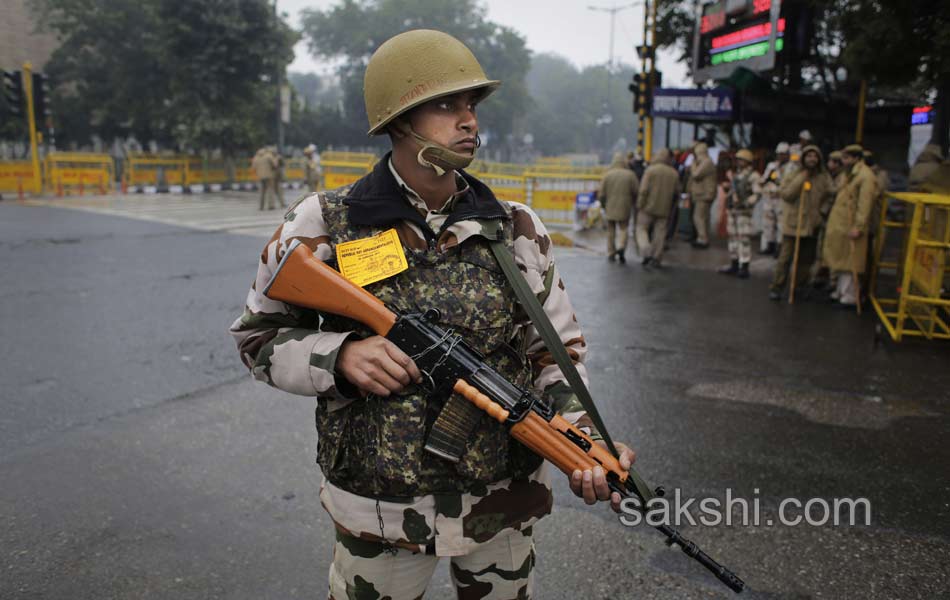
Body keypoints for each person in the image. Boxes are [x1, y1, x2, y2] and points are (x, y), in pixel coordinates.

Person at [229, 29, 635, 600]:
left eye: (471, 105)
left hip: (501, 501)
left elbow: (557, 354)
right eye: (447, 105)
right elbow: (256, 337)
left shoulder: (514, 227)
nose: (468, 121)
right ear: (399, 121)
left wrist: (585, 439)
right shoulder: (324, 222)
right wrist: (340, 355)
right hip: (382, 509)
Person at [768, 145, 834, 301]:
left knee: (806, 260)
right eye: (809, 156)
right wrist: (802, 177)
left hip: (812, 224)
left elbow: (831, 194)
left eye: (815, 156)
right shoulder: (793, 174)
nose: (812, 159)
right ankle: (777, 286)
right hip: (793, 223)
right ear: (803, 158)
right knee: (785, 258)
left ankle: (799, 286)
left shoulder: (823, 177)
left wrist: (822, 211)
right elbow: (786, 194)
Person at [822, 144, 877, 308]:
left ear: (856, 158)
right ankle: (840, 292)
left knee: (850, 263)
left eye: (846, 158)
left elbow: (864, 204)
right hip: (842, 225)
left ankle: (850, 296)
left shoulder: (865, 176)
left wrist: (859, 226)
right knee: (841, 261)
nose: (843, 161)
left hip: (851, 226)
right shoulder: (849, 175)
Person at [719, 149, 761, 279]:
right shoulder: (736, 175)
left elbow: (757, 193)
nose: (739, 162)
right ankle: (734, 262)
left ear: (748, 162)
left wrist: (747, 203)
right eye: (738, 160)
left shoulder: (753, 176)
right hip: (733, 210)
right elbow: (733, 191)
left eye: (742, 160)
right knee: (732, 237)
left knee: (743, 239)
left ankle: (744, 266)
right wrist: (728, 188)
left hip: (743, 211)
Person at [635, 148, 680, 268]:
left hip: (647, 207)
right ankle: (656, 257)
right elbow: (677, 192)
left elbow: (643, 190)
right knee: (660, 232)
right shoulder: (674, 173)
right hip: (664, 208)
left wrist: (640, 204)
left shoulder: (650, 170)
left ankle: (646, 250)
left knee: (641, 229)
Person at [599, 152, 640, 263]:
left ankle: (611, 251)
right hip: (625, 206)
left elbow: (601, 194)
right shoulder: (630, 175)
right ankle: (621, 247)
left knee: (611, 230)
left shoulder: (607, 175)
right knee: (623, 228)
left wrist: (603, 205)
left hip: (610, 206)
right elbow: (636, 191)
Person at [760, 142, 797, 256]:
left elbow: (789, 183)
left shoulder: (792, 167)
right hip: (770, 198)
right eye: (779, 154)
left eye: (783, 154)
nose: (781, 156)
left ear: (788, 154)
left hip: (782, 199)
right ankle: (769, 245)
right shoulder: (772, 166)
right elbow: (764, 180)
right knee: (768, 222)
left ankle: (779, 247)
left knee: (781, 224)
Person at [686, 141, 717, 249]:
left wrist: (693, 164)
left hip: (704, 194)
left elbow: (696, 174)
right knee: (702, 217)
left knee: (698, 217)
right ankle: (702, 237)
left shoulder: (706, 162)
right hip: (702, 193)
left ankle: (702, 239)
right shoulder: (707, 162)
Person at [251, 146, 279, 211]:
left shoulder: (256, 157)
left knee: (262, 191)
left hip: (260, 176)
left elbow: (253, 167)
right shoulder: (269, 156)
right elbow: (275, 165)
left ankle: (261, 206)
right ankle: (271, 205)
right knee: (270, 190)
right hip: (269, 175)